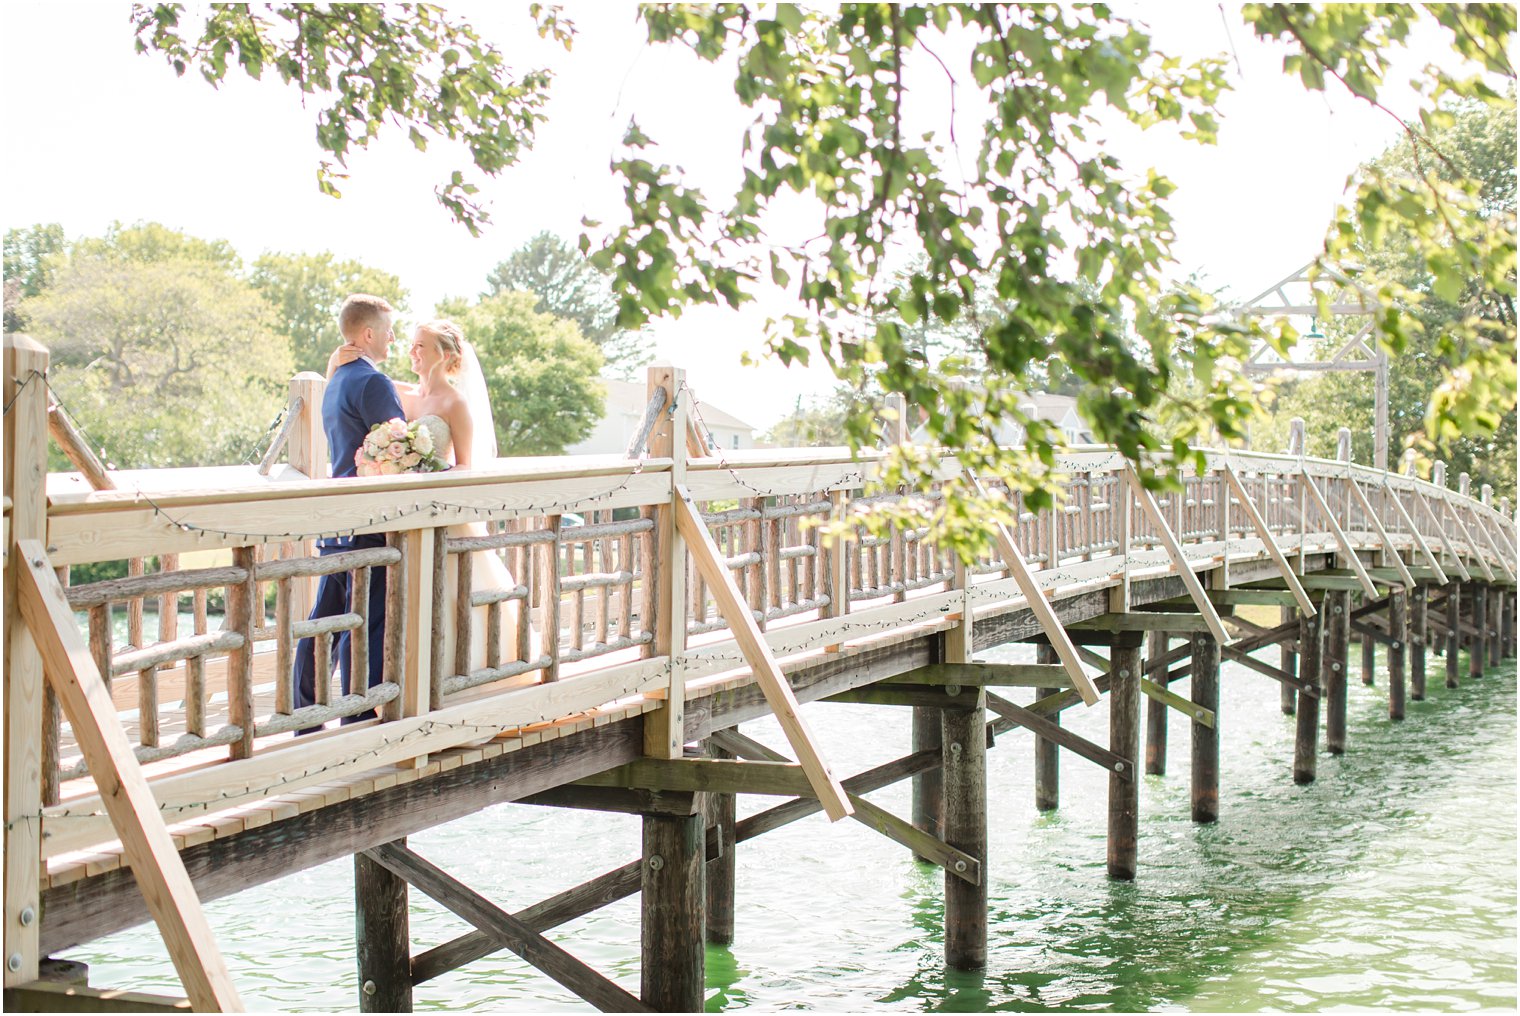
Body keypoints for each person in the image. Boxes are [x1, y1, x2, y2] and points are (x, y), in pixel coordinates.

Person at [329, 320, 540, 683]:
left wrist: (425, 474)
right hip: (405, 517)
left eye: (420, 346)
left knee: (449, 598)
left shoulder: (455, 403)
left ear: (444, 355)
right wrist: (334, 361)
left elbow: (465, 466)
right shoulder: (403, 392)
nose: (412, 351)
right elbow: (347, 387)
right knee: (405, 602)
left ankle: (460, 677)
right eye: (412, 344)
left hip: (440, 514)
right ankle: (408, 682)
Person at [292, 294, 402, 727]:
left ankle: (305, 711)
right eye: (389, 330)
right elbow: (398, 449)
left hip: (339, 515)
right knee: (369, 617)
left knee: (328, 616)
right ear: (368, 333)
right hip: (370, 516)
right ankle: (358, 712)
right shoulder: (374, 383)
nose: (393, 338)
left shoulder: (337, 377)